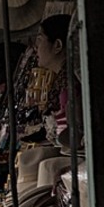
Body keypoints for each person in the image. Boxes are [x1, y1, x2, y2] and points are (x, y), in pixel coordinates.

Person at [31, 13, 76, 147]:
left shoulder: (69, 85)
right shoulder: (61, 80)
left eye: (39, 40)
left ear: (57, 45)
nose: (35, 48)